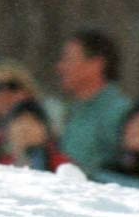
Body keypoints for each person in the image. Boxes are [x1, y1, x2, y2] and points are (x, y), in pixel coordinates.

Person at [54, 29, 132, 181]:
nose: (60, 67)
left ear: (96, 65)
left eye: (69, 60)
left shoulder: (118, 113)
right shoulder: (72, 111)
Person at [1, 99, 71, 173]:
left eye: (31, 123)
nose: (25, 129)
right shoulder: (1, 167)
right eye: (19, 123)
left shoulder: (62, 166)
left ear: (45, 131)